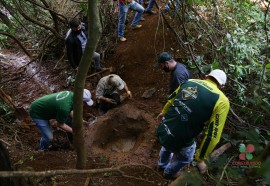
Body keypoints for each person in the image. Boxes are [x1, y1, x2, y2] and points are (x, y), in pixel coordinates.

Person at [156, 69, 230, 179]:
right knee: (186, 157)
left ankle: (161, 165)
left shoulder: (190, 82)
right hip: (183, 138)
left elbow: (171, 99)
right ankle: (169, 173)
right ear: (222, 86)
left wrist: (163, 112)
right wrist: (200, 159)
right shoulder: (222, 101)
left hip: (166, 127)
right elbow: (213, 136)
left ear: (206, 76)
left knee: (167, 145)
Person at [29, 89, 94, 151]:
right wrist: (75, 132)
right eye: (84, 103)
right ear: (79, 101)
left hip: (44, 105)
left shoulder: (71, 95)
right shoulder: (64, 108)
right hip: (37, 113)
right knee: (49, 137)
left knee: (68, 119)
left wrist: (80, 120)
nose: (84, 105)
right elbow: (60, 124)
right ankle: (42, 150)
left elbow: (70, 109)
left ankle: (70, 138)